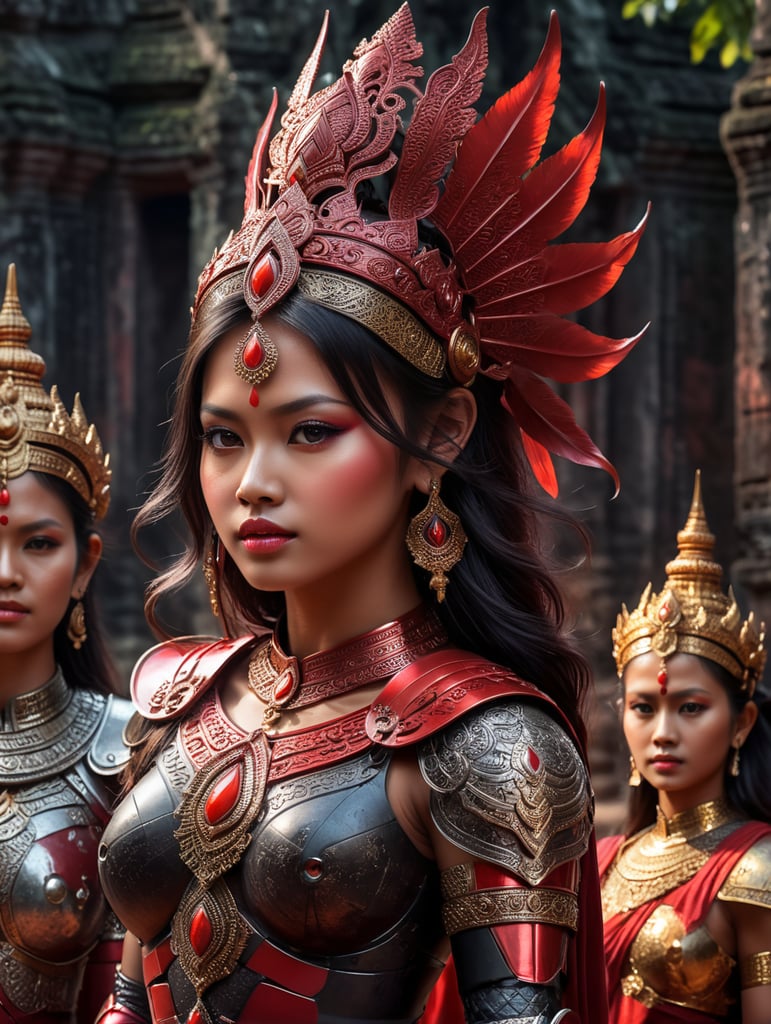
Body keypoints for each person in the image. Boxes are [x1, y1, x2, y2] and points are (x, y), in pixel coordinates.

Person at [96, 5, 647, 1023]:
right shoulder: (177, 700)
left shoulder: (486, 745)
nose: (252, 482)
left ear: (439, 436)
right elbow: (129, 994)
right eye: (224, 438)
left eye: (310, 433)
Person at [0, 263, 132, 1023]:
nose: (7, 573)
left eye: (39, 544)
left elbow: (134, 997)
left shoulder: (125, 756)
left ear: (83, 567)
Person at [599, 470, 771, 1023]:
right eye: (643, 707)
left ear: (742, 723)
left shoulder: (756, 868)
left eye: (690, 708)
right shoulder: (599, 863)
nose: (664, 731)